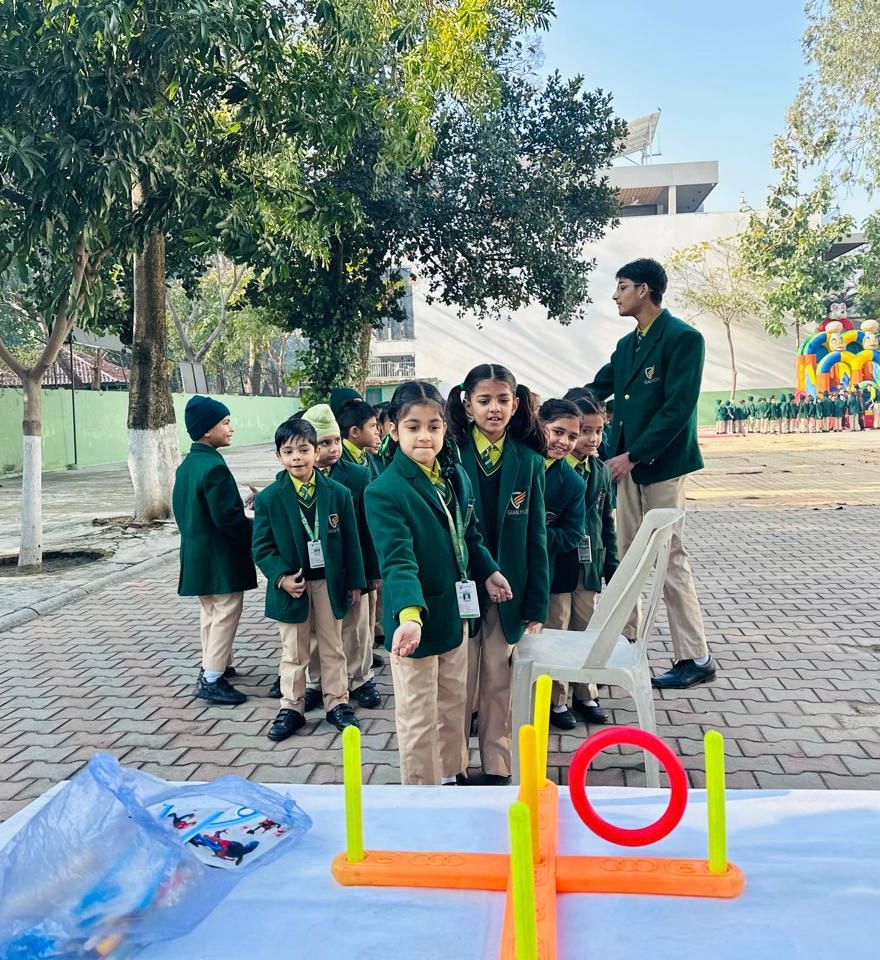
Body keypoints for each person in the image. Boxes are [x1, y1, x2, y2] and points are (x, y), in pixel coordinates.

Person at [364, 381, 510, 785]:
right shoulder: (384, 491)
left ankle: (451, 776)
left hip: (454, 614)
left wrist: (489, 571)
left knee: (453, 705)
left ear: (446, 427)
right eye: (413, 427)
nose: (424, 436)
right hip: (413, 624)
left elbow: (470, 534)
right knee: (418, 714)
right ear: (393, 429)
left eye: (434, 426)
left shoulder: (455, 476)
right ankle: (421, 793)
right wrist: (410, 616)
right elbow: (398, 560)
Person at [584, 258, 716, 689]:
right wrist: (543, 409)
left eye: (621, 286)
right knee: (625, 556)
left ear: (643, 289)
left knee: (667, 556)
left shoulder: (683, 338)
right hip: (625, 467)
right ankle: (622, 644)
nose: (615, 296)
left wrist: (634, 456)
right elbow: (596, 389)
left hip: (660, 466)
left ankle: (695, 656)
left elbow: (678, 408)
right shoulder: (628, 346)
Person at [447, 364, 549, 783]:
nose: (494, 409)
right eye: (484, 400)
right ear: (467, 405)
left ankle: (498, 766)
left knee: (498, 681)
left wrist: (537, 604)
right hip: (460, 588)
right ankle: (453, 766)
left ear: (516, 404)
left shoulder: (529, 461)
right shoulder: (450, 456)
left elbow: (537, 535)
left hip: (510, 593)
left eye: (503, 400)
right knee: (458, 683)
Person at [252, 417, 366, 740]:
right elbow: (261, 548)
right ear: (278, 457)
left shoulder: (338, 493)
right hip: (292, 588)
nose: (297, 458)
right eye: (288, 452)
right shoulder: (269, 498)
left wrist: (355, 582)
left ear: (316, 453)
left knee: (333, 646)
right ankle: (292, 707)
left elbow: (352, 542)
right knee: (294, 651)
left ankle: (337, 702)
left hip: (330, 584)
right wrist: (281, 578)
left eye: (304, 450)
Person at [172, 396, 256, 706]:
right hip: (220, 558)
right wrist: (257, 529)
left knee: (210, 613)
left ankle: (217, 664)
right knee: (225, 612)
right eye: (225, 423)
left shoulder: (187, 465)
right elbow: (229, 520)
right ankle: (211, 678)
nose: (230, 428)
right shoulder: (214, 467)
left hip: (197, 555)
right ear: (207, 430)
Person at [299, 404, 381, 712]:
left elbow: (368, 527)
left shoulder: (357, 475)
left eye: (336, 441)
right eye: (324, 443)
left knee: (355, 626)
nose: (334, 449)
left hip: (352, 565)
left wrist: (372, 571)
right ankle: (317, 682)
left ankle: (360, 679)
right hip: (313, 569)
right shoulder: (297, 478)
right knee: (315, 629)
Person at [548, 389, 618, 726]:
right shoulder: (555, 471)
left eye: (599, 431)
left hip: (590, 566)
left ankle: (586, 692)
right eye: (585, 431)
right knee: (558, 628)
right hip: (560, 564)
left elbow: (607, 523)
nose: (592, 438)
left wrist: (612, 565)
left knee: (587, 629)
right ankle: (556, 698)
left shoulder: (601, 471)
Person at [536, 398, 587, 730]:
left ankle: (554, 702)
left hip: (547, 572)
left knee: (550, 637)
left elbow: (573, 533)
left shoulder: (572, 483)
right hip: (498, 570)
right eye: (557, 431)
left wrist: (534, 535)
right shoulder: (516, 461)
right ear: (539, 424)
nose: (563, 442)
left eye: (571, 436)